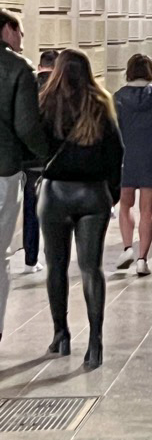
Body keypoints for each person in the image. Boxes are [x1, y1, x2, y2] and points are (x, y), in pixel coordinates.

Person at [38, 50, 123, 370]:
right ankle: (95, 343)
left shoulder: (45, 103)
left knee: (56, 267)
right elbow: (116, 151)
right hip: (92, 195)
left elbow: (36, 144)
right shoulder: (101, 103)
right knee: (91, 269)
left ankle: (61, 335)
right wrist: (111, 192)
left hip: (56, 193)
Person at [0, 11, 49, 344]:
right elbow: (27, 126)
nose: (22, 38)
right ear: (7, 29)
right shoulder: (18, 68)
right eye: (19, 31)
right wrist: (47, 157)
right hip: (4, 170)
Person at [115, 54, 152, 276]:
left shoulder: (118, 98)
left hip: (124, 158)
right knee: (147, 210)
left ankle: (127, 248)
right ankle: (142, 260)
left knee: (125, 205)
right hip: (151, 158)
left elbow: (112, 130)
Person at [21, 49, 59, 274]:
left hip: (28, 160)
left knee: (30, 209)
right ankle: (53, 255)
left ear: (40, 66)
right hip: (53, 160)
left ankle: (30, 258)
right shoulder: (61, 90)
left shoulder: (26, 87)